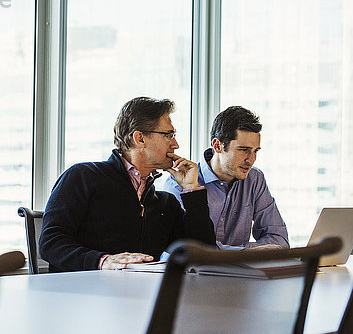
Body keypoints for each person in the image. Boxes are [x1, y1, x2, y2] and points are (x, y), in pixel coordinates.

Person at [39, 96, 215, 272]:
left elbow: (204, 255)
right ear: (140, 138)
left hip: (139, 295)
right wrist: (102, 261)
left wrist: (192, 190)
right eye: (168, 135)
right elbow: (50, 242)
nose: (176, 144)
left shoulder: (165, 204)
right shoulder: (83, 176)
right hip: (80, 292)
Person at [162, 106, 289, 249]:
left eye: (255, 151)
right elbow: (187, 248)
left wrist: (239, 253)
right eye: (244, 150)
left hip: (238, 271)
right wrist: (246, 252)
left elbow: (279, 240)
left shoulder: (254, 179)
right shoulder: (180, 184)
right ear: (218, 146)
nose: (251, 159)